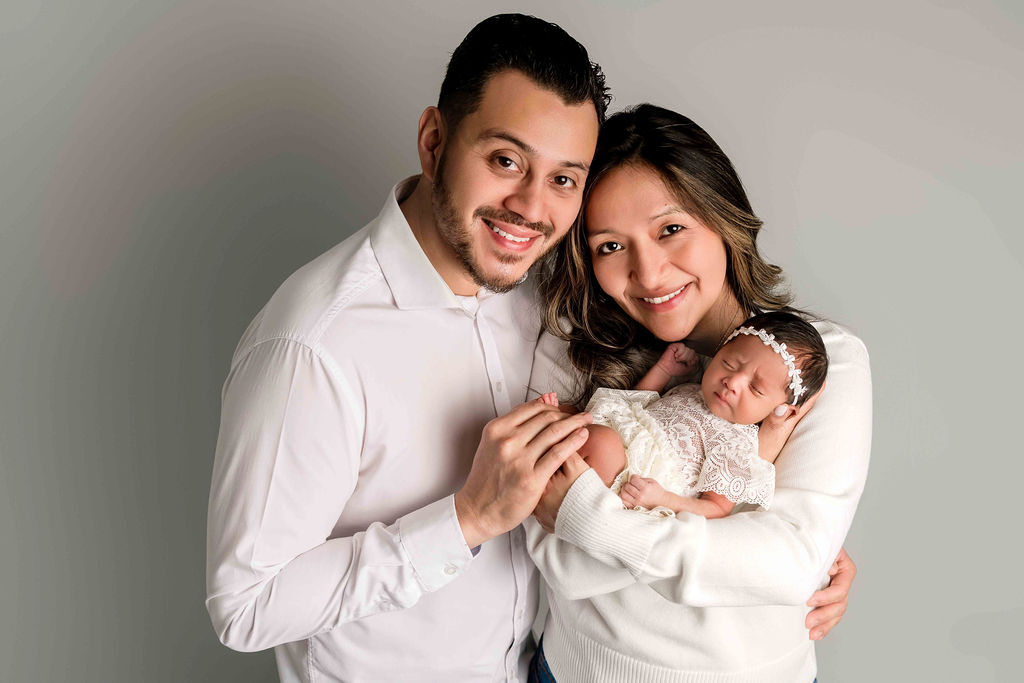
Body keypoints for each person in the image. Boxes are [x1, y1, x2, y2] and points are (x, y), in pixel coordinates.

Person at [206, 14, 855, 683]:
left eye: (563, 178)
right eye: (506, 160)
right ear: (434, 142)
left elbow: (643, 465)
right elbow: (245, 606)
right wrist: (466, 518)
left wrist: (778, 547)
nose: (529, 208)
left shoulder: (541, 298)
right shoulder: (315, 344)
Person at [527, 104, 872, 682]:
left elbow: (789, 564)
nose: (650, 272)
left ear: (722, 218)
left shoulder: (822, 361)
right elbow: (567, 567)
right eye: (610, 246)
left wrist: (597, 522)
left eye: (670, 229)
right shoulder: (569, 349)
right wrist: (736, 548)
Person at [549, 311, 828, 520]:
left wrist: (662, 499)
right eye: (728, 363)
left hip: (637, 481)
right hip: (620, 436)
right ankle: (549, 458)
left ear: (780, 409)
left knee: (597, 440)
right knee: (567, 414)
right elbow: (636, 405)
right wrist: (663, 370)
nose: (732, 382)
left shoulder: (737, 445)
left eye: (755, 388)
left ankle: (556, 492)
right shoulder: (692, 389)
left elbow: (716, 508)